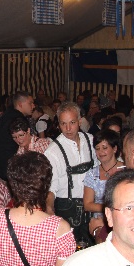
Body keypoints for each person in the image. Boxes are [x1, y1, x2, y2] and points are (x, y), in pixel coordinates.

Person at [44, 102, 97, 243]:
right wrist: (49, 207)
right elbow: (51, 186)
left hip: (91, 205)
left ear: (80, 121)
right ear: (58, 124)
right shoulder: (53, 151)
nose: (68, 128)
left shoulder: (91, 140)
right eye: (63, 124)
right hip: (66, 207)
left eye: (72, 122)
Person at [82, 129, 122, 241]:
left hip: (122, 221)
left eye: (105, 148)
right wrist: (111, 209)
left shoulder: (126, 170)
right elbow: (87, 204)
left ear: (114, 149)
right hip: (100, 223)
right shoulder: (92, 174)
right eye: (97, 148)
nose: (101, 152)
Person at [0, 91, 35, 180]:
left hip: (0, 167)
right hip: (13, 169)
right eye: (30, 103)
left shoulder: (4, 117)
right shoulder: (18, 120)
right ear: (20, 104)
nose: (33, 106)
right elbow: (26, 146)